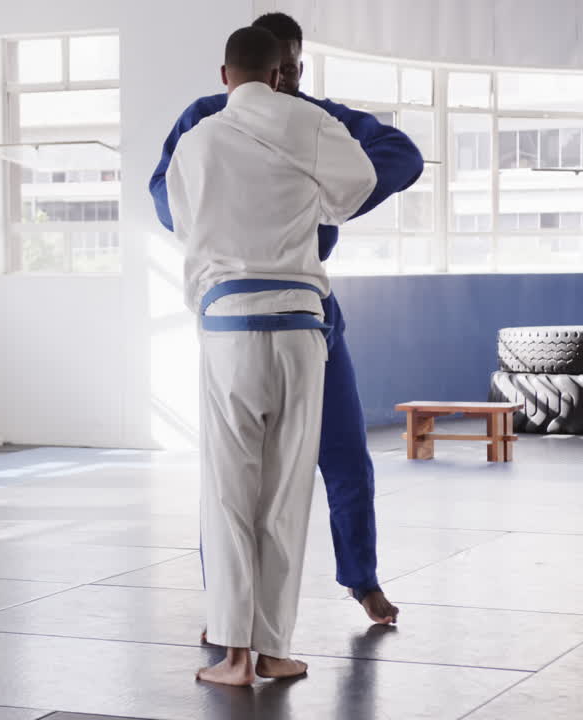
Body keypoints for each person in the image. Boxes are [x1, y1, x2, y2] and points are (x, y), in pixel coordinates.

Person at [150, 11, 423, 627]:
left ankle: (363, 580)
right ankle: (228, 607)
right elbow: (165, 194)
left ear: (297, 65)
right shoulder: (205, 120)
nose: (287, 79)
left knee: (344, 454)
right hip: (235, 304)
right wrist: (226, 224)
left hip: (308, 304)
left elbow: (401, 155)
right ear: (253, 67)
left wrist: (321, 208)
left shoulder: (316, 120)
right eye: (281, 68)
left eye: (296, 68)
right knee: (230, 474)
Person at [167, 26, 375, 686]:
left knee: (229, 492)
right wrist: (315, 201)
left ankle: (232, 656)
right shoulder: (310, 123)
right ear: (281, 74)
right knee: (287, 492)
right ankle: (276, 649)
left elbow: (184, 224)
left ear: (225, 74)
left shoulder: (196, 141)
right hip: (300, 326)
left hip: (228, 324)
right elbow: (360, 183)